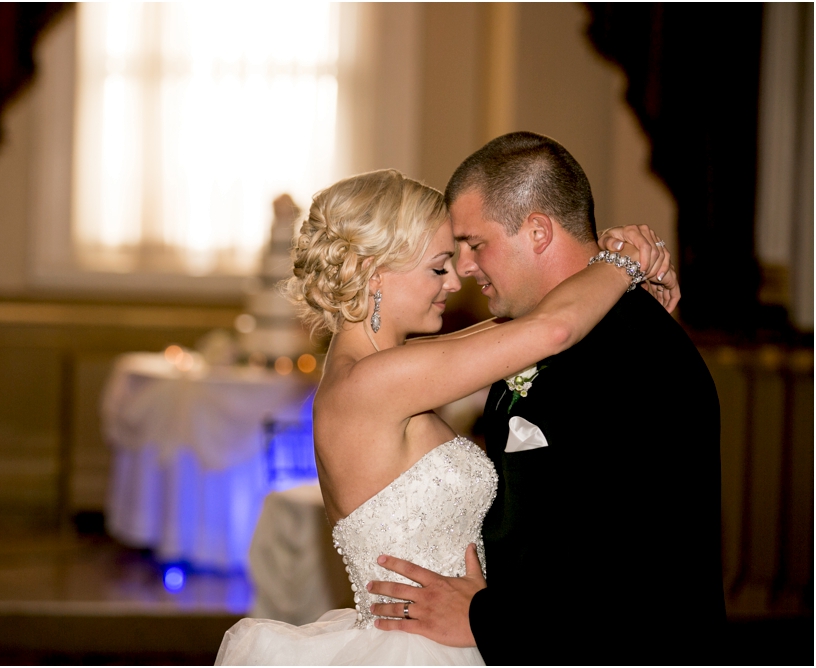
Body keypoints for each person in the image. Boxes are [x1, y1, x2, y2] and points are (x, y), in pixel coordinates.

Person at [216, 167, 675, 665]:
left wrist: (601, 274)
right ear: (376, 274)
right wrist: (622, 262)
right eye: (439, 267)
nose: (456, 281)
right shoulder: (371, 384)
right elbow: (551, 330)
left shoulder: (378, 371)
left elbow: (515, 325)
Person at [367, 132, 725, 665]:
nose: (463, 268)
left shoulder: (625, 352)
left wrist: (483, 618)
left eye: (474, 243)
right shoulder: (531, 338)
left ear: (536, 230)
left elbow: (635, 576)